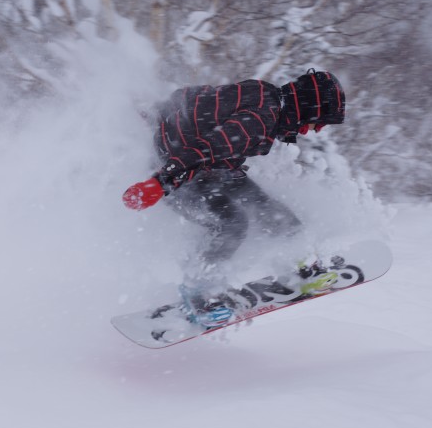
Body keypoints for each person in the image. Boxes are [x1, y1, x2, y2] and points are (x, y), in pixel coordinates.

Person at [121, 69, 346, 328]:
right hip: (183, 173)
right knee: (232, 224)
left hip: (212, 170)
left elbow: (198, 99)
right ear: (307, 107)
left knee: (271, 212)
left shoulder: (265, 93)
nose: (310, 131)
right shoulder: (260, 120)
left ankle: (304, 266)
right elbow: (203, 150)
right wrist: (159, 183)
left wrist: (157, 111)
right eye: (316, 122)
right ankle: (197, 293)